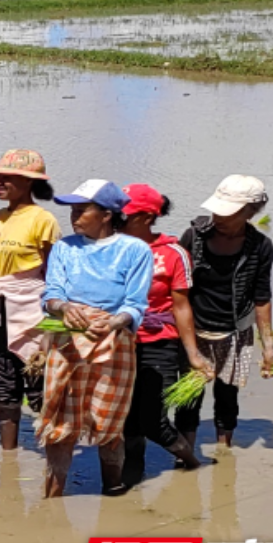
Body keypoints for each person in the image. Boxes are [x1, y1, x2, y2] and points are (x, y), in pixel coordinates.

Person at [39, 180, 153, 497]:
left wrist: (115, 322)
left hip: (113, 342)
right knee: (60, 419)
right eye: (72, 210)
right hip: (67, 339)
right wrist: (62, 307)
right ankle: (53, 493)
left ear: (106, 214)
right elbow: (52, 293)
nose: (74, 216)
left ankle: (112, 487)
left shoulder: (135, 250)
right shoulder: (64, 248)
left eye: (82, 209)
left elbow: (135, 302)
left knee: (109, 418)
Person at [175, 175, 273, 451]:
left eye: (227, 212)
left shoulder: (260, 246)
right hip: (193, 330)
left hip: (234, 332)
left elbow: (261, 297)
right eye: (216, 209)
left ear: (249, 212)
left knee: (227, 395)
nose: (217, 216)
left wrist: (268, 346)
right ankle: (185, 454)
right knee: (189, 397)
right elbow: (177, 289)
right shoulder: (194, 236)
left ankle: (224, 453)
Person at [118, 184, 209, 488]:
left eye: (124, 214)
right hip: (118, 344)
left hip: (159, 343)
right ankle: (132, 474)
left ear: (146, 217)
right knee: (127, 419)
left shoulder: (173, 254)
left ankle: (193, 464)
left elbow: (181, 306)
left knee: (153, 420)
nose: (116, 218)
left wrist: (193, 354)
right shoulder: (110, 248)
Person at [0, 149, 61, 450]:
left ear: (29, 182)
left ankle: (54, 448)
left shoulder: (43, 219)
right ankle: (9, 460)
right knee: (4, 383)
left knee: (36, 379)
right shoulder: (0, 216)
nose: (0, 183)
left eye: (8, 178)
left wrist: (52, 322)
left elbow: (54, 274)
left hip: (30, 308)